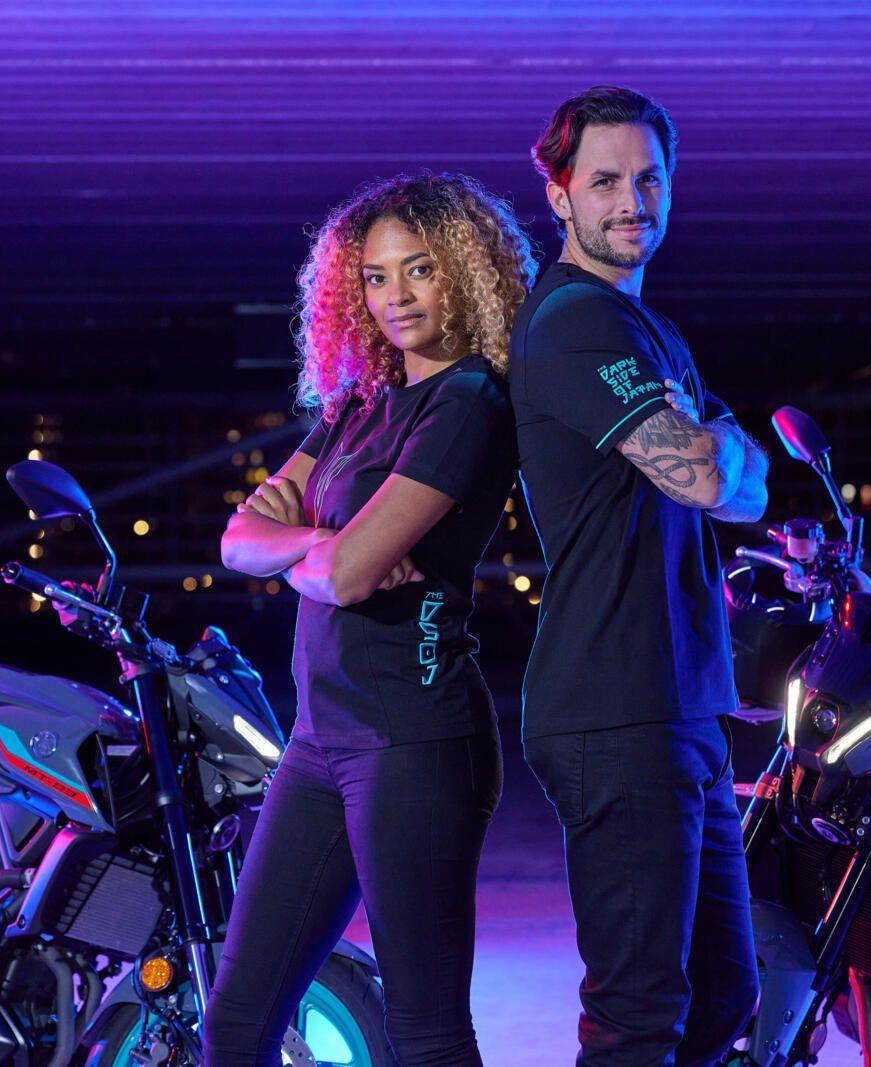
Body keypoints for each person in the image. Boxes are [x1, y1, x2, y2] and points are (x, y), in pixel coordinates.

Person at [205, 172, 536, 1067]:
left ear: (463, 270)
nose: (397, 296)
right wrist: (320, 545)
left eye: (419, 269)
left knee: (426, 1032)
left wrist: (318, 552)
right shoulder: (359, 402)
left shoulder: (468, 401)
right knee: (234, 1022)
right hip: (319, 740)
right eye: (377, 278)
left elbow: (350, 576)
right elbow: (239, 540)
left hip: (414, 738)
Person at [508, 86, 769, 1066]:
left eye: (649, 179)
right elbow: (706, 474)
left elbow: (745, 490)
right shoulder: (576, 322)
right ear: (560, 195)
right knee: (638, 1013)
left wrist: (716, 450)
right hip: (615, 706)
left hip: (678, 702)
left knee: (721, 991)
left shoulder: (643, 326)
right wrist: (714, 445)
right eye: (606, 180)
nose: (632, 201)